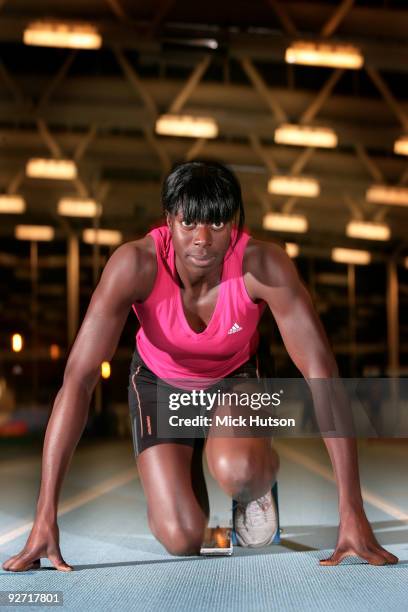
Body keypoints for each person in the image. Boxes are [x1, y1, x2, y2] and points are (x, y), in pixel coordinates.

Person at [3, 161, 397, 571]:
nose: (203, 239)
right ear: (168, 220)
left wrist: (351, 511)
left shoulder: (263, 266)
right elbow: (78, 380)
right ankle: (196, 488)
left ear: (235, 225)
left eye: (217, 224)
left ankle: (260, 478)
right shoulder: (134, 265)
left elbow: (323, 375)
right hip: (160, 384)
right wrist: (44, 516)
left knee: (238, 468)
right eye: (189, 223)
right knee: (182, 537)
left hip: (236, 379)